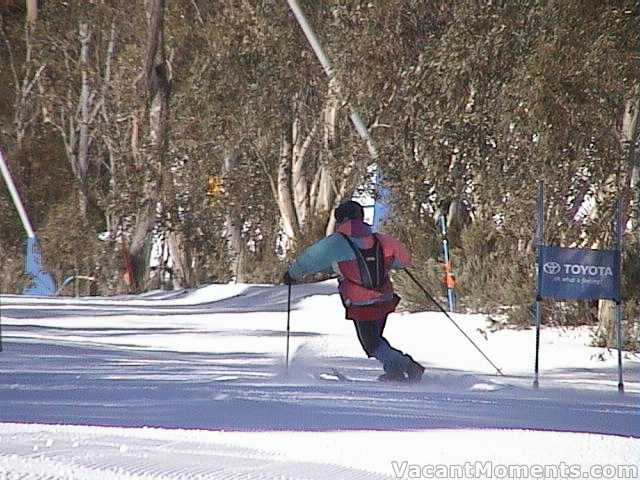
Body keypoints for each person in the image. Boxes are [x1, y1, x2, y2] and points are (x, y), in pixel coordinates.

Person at [283, 200, 425, 382]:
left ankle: (408, 366)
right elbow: (403, 260)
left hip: (360, 302)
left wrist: (293, 274)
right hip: (385, 298)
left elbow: (310, 259)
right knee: (376, 339)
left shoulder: (337, 242)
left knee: (371, 343)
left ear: (341, 219)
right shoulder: (380, 239)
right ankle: (395, 371)